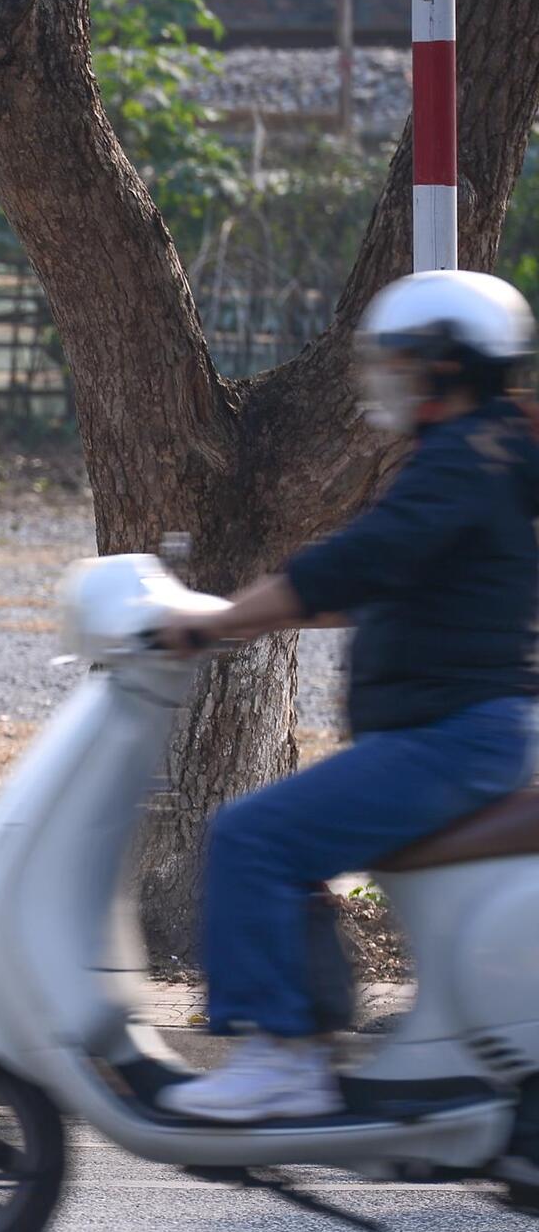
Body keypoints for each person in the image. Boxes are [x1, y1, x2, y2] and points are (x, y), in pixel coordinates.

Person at [155, 270, 539, 1122]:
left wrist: (214, 620)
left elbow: (350, 564)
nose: (389, 382)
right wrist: (240, 617)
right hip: (464, 732)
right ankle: (312, 1031)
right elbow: (380, 580)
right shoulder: (490, 451)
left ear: (447, 370)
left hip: (451, 740)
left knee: (252, 835)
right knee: (285, 841)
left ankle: (283, 1057)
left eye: (404, 365)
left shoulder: (457, 465)